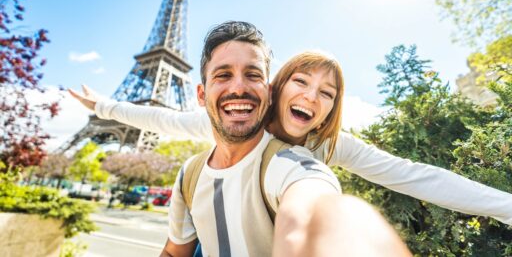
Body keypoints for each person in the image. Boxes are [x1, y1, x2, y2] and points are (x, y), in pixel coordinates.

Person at [72, 21, 412, 256]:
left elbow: (318, 203)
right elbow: (159, 118)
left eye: (252, 74)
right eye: (224, 75)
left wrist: (334, 225)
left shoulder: (296, 164)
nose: (238, 87)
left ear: (268, 90)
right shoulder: (190, 174)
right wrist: (104, 106)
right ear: (201, 94)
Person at [70, 48, 512, 227]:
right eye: (301, 82)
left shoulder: (330, 144)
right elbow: (161, 119)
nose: (311, 97)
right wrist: (103, 108)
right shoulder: (236, 119)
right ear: (278, 87)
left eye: (327, 93)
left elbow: (416, 177)